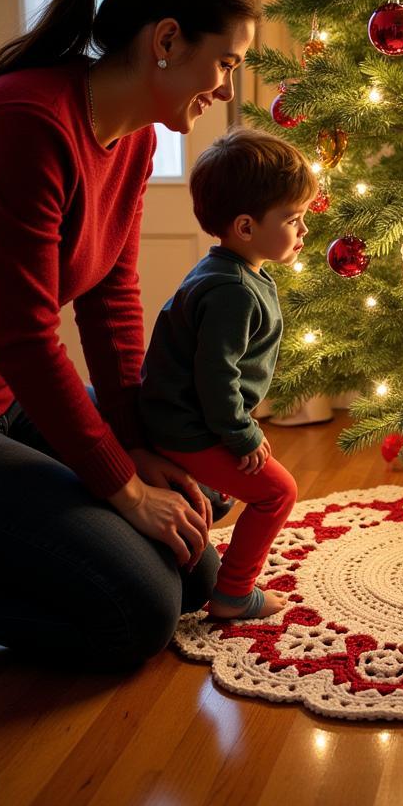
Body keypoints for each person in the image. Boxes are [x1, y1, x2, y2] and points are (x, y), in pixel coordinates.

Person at [0, 0, 259, 665]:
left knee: (193, 556)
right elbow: (26, 338)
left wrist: (136, 445)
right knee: (138, 615)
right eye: (224, 62)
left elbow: (110, 301)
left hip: (4, 398)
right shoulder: (24, 124)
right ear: (166, 41)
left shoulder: (128, 140)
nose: (227, 88)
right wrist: (124, 490)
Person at [140, 129, 313, 619]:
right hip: (185, 427)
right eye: (293, 220)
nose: (303, 232)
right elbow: (216, 378)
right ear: (244, 226)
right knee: (279, 492)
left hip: (184, 417)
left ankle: (210, 524)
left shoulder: (236, 270)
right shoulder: (230, 291)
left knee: (248, 487)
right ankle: (234, 592)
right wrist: (240, 434)